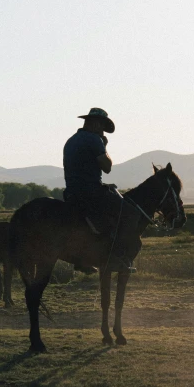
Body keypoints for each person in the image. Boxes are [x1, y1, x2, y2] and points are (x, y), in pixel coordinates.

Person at [63, 107, 141, 272]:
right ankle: (116, 258)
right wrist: (104, 147)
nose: (103, 131)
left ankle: (83, 258)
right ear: (96, 124)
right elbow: (107, 167)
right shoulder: (94, 140)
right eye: (102, 127)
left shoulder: (71, 140)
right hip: (91, 192)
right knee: (128, 214)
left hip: (71, 192)